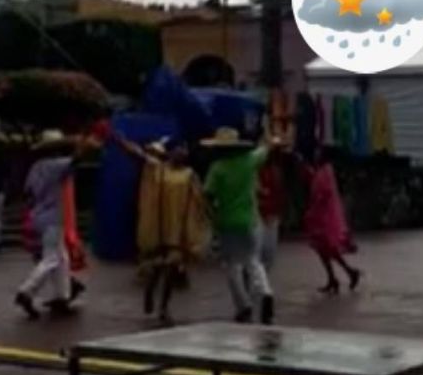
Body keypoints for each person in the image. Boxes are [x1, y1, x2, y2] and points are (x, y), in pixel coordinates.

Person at [114, 134, 209, 326]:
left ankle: (164, 307)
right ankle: (150, 292)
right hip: (159, 228)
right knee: (157, 267)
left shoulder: (190, 175)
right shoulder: (158, 169)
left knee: (171, 270)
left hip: (179, 230)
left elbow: (199, 201)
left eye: (184, 149)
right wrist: (118, 140)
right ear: (170, 153)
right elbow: (138, 155)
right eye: (178, 149)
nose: (182, 152)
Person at [14, 130, 91, 319]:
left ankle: (61, 296)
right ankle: (26, 291)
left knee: (61, 257)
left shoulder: (35, 167)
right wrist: (84, 143)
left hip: (38, 215)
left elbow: (27, 194)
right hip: (53, 217)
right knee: (52, 258)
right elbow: (76, 161)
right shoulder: (57, 165)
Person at [202, 128, 275, 325]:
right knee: (254, 261)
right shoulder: (249, 161)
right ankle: (266, 292)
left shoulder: (217, 168)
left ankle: (244, 305)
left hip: (227, 222)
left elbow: (207, 195)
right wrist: (269, 137)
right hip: (250, 221)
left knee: (232, 265)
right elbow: (266, 148)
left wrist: (212, 215)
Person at [301, 147, 362, 294]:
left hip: (324, 218)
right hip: (320, 216)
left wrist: (314, 208)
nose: (315, 154)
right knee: (323, 250)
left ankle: (346, 273)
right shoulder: (323, 170)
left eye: (318, 153)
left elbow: (323, 192)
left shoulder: (326, 171)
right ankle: (337, 276)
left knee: (328, 249)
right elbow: (315, 181)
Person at [256, 142, 286, 272]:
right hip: (259, 213)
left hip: (271, 212)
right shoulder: (257, 170)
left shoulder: (275, 171)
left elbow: (279, 194)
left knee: (268, 250)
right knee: (260, 249)